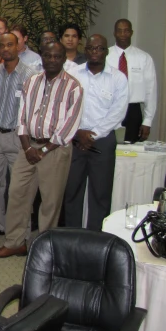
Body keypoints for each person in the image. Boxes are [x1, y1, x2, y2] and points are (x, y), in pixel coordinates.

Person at [0, 42, 83, 258]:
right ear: (42, 57)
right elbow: (22, 116)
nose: (51, 60)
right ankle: (14, 242)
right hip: (28, 147)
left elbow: (69, 125)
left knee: (50, 202)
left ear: (63, 59)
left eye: (56, 56)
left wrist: (44, 150)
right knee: (17, 194)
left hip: (55, 150)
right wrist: (27, 147)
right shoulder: (31, 82)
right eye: (47, 56)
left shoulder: (73, 87)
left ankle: (43, 250)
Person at [63, 35, 128, 230]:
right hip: (75, 138)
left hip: (103, 141)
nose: (94, 52)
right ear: (86, 50)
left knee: (100, 193)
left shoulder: (118, 78)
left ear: (106, 51)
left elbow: (118, 111)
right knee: (72, 191)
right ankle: (72, 236)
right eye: (90, 48)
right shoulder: (73, 73)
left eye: (99, 48)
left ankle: (95, 238)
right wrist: (78, 132)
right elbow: (65, 105)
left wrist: (93, 134)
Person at [0, 32, 38, 240]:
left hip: (18, 137)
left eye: (10, 45)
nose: (5, 49)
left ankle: (20, 229)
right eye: (2, 45)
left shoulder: (30, 75)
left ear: (18, 47)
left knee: (19, 186)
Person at [105, 19, 157, 143]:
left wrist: (147, 121)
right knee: (108, 149)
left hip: (133, 111)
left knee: (132, 151)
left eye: (126, 31)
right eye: (119, 31)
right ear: (114, 33)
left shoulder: (144, 58)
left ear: (131, 33)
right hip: (109, 109)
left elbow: (151, 90)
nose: (123, 34)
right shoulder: (105, 56)